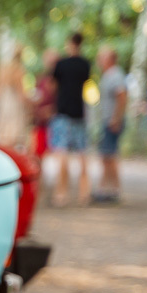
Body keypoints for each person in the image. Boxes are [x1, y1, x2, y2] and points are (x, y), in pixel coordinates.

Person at [50, 33, 92, 206]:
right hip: (79, 112)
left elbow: (53, 86)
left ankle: (61, 193)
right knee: (82, 153)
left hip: (63, 113)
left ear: (69, 43)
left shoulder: (61, 64)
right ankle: (84, 194)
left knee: (62, 153)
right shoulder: (85, 64)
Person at [93, 46, 127, 203]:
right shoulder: (108, 75)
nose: (99, 61)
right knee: (106, 156)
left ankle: (113, 190)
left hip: (112, 121)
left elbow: (122, 96)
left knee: (109, 155)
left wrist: (116, 118)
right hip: (108, 120)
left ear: (109, 59)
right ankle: (107, 189)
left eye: (101, 57)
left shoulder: (115, 75)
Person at [0, 43, 30, 149]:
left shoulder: (1, 69)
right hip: (14, 106)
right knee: (13, 136)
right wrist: (28, 106)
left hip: (3, 104)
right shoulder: (18, 70)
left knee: (3, 136)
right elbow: (21, 93)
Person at [32, 49, 59, 160]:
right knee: (38, 152)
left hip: (54, 120)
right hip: (41, 121)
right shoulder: (41, 79)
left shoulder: (59, 80)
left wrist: (51, 110)